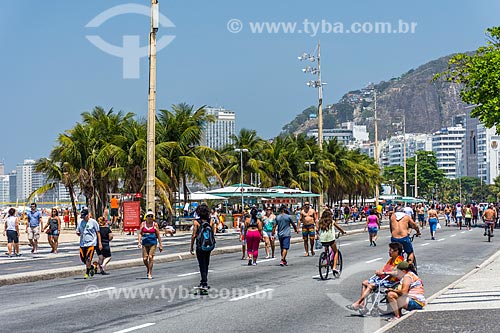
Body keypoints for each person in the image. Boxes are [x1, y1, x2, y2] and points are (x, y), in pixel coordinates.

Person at [346, 242, 404, 311]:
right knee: (365, 282)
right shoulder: (391, 259)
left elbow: (396, 272)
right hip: (384, 279)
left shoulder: (399, 260)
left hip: (392, 281)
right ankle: (362, 304)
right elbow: (384, 267)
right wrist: (379, 271)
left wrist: (384, 272)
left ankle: (358, 303)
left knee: (371, 285)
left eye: (390, 250)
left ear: (396, 251)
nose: (389, 252)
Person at [190, 203, 215, 289]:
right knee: (206, 263)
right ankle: (204, 281)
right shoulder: (210, 221)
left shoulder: (196, 222)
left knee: (201, 264)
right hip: (208, 245)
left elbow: (193, 235)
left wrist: (191, 247)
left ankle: (203, 281)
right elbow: (213, 232)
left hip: (200, 245)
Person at [317, 210, 346, 274]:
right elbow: (339, 228)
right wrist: (343, 232)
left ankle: (325, 258)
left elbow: (317, 230)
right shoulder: (332, 222)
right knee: (336, 252)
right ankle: (334, 267)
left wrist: (318, 234)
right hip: (330, 239)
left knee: (326, 248)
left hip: (323, 240)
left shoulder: (320, 222)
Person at [76, 208, 102, 279]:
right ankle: (93, 267)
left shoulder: (93, 222)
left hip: (91, 243)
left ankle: (87, 273)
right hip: (82, 243)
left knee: (88, 259)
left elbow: (98, 232)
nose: (83, 218)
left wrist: (99, 243)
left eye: (84, 216)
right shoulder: (80, 222)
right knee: (83, 259)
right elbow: (78, 231)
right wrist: (78, 233)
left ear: (88, 215)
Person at [138, 210, 163, 279]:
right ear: (146, 217)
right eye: (148, 216)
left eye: (151, 216)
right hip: (145, 242)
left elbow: (158, 235)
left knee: (151, 257)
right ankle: (148, 268)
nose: (150, 217)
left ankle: (150, 272)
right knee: (145, 259)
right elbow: (140, 233)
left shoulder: (155, 225)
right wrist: (139, 242)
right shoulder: (143, 224)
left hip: (153, 242)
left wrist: (160, 245)